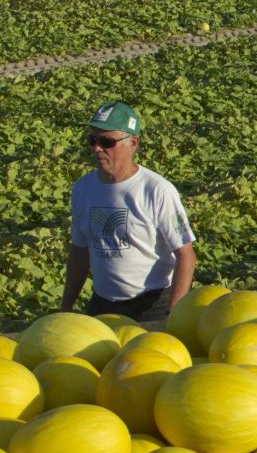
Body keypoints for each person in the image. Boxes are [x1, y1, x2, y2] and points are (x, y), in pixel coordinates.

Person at [60, 101, 196, 322]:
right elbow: (79, 251)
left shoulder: (157, 190)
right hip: (102, 304)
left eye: (107, 142)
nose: (97, 148)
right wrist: (65, 307)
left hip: (152, 305)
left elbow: (186, 255)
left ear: (132, 142)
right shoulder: (83, 188)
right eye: (93, 140)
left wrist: (172, 314)